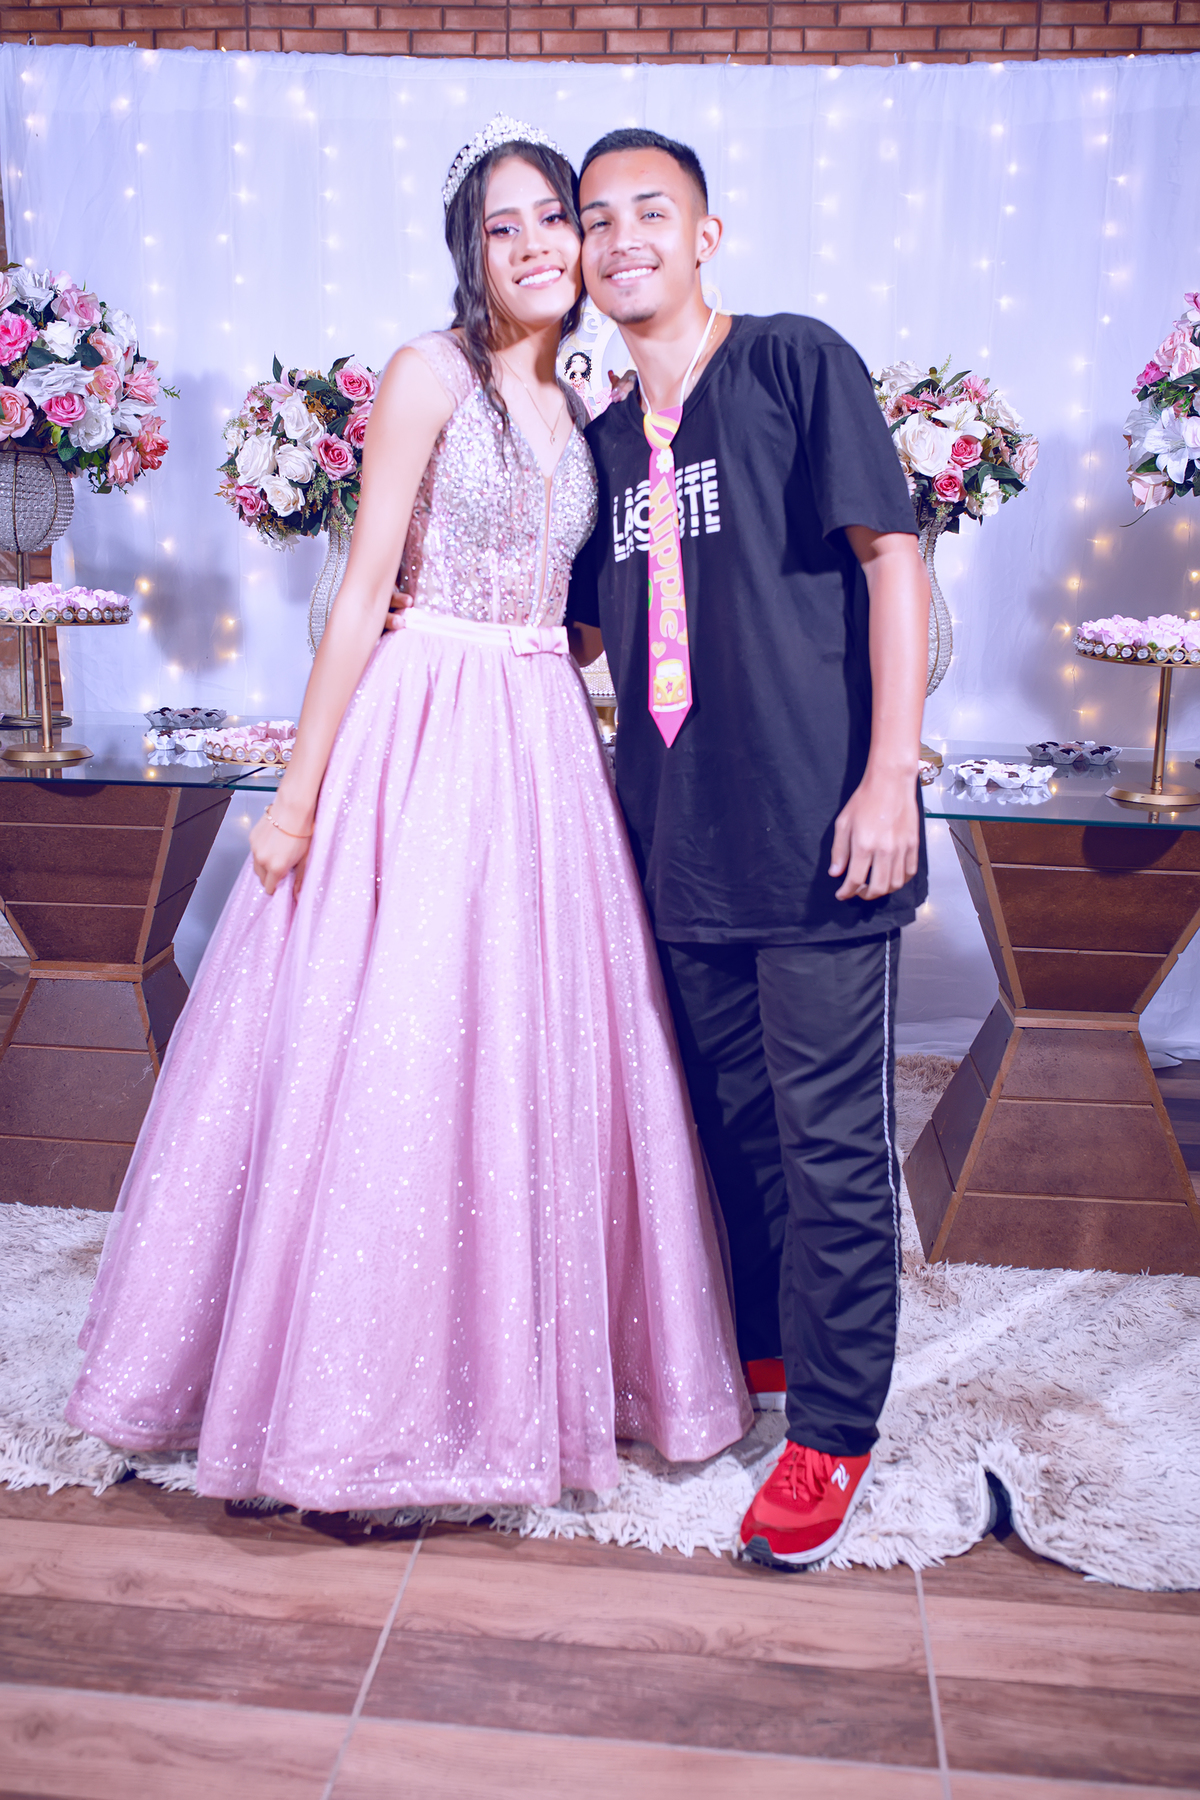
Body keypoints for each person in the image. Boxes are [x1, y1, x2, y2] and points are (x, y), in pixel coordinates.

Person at [66, 117, 751, 1512]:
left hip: (541, 737)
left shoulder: (595, 407)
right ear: (469, 252)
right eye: (504, 226)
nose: (539, 244)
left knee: (533, 1049)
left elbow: (589, 608)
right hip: (424, 723)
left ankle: (514, 1384)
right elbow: (361, 590)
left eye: (554, 217)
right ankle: (354, 1406)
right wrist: (298, 797)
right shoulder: (427, 374)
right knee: (399, 1046)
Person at [565, 128, 930, 1570]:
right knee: (728, 1131)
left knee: (830, 1146)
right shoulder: (602, 445)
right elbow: (573, 634)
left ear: (705, 234)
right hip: (673, 840)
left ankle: (835, 1430)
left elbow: (892, 559)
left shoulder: (792, 363)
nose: (623, 238)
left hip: (817, 828)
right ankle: (771, 1355)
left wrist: (888, 775)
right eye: (598, 219)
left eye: (651, 210)